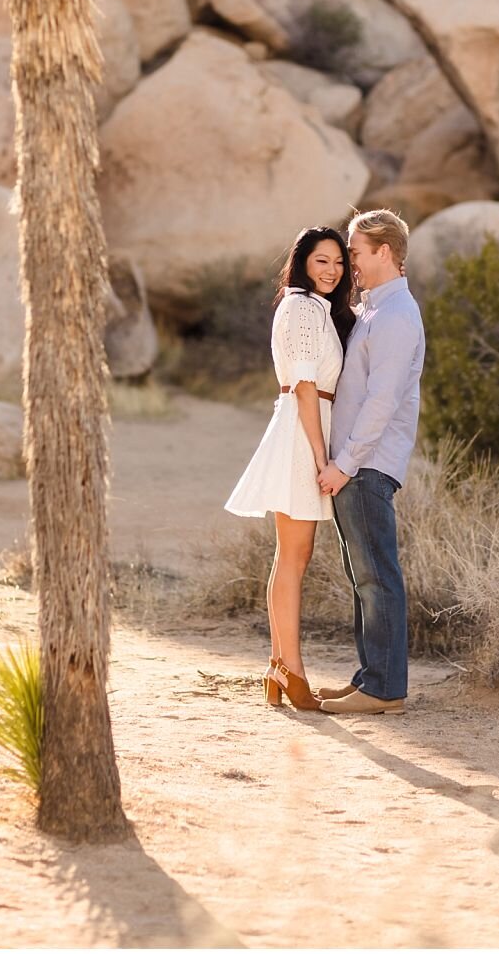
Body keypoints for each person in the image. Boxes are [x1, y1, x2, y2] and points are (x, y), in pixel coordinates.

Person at [225, 226, 355, 711]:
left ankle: (280, 666)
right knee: (294, 557)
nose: (332, 270)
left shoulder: (318, 309)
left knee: (292, 557)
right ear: (302, 263)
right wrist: (322, 458)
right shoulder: (300, 306)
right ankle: (290, 669)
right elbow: (304, 387)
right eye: (322, 261)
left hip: (307, 428)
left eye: (339, 263)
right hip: (303, 434)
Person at [316, 209, 425, 716]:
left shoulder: (397, 316)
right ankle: (370, 679)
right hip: (357, 465)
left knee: (377, 577)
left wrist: (346, 464)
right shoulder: (376, 312)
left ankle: (383, 690)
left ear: (385, 252)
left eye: (356, 252)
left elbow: (382, 401)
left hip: (366, 466)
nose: (351, 262)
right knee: (365, 577)